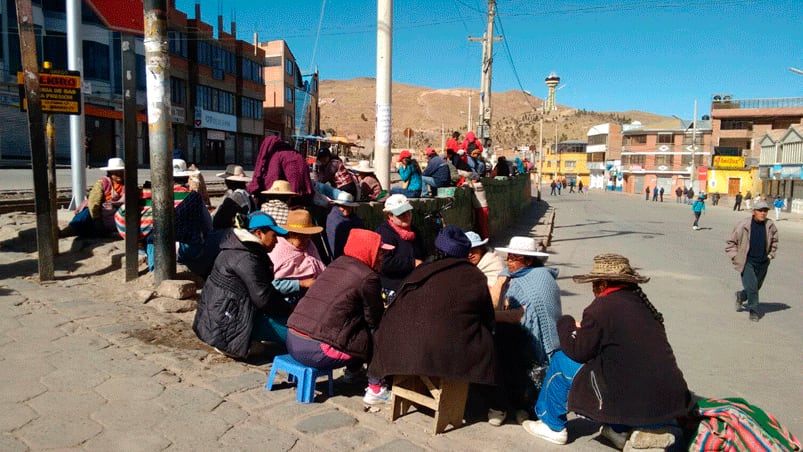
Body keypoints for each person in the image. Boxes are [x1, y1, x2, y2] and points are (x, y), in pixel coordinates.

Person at [523, 253, 690, 447]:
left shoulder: (602, 307)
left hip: (633, 397)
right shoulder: (643, 306)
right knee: (613, 369)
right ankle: (619, 429)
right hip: (669, 402)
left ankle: (551, 424)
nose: (593, 290)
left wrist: (566, 323)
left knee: (562, 360)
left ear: (602, 284)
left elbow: (578, 351)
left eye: (595, 284)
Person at [367, 225, 496, 403]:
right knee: (486, 339)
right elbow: (488, 317)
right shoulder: (475, 277)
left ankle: (378, 385)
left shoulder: (421, 270)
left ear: (438, 250)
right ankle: (495, 403)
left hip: (396, 346)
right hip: (440, 353)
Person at [286, 229, 392, 399]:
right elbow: (375, 319)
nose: (382, 257)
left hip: (292, 339)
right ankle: (376, 388)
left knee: (352, 324)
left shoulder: (337, 264)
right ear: (367, 250)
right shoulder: (367, 277)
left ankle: (353, 371)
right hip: (317, 350)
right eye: (379, 251)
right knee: (378, 333)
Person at [192, 212, 290, 358]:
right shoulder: (246, 257)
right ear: (259, 233)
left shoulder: (238, 249)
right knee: (295, 333)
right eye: (274, 236)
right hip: (226, 323)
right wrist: (290, 310)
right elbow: (264, 298)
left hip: (217, 319)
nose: (276, 241)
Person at [486, 236, 560, 426]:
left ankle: (510, 405)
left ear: (528, 260)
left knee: (501, 339)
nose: (509, 261)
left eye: (514, 258)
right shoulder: (531, 275)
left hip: (534, 341)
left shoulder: (534, 281)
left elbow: (519, 315)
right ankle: (520, 405)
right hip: (537, 338)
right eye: (508, 257)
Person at [268, 209, 326, 322]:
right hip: (285, 304)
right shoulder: (278, 249)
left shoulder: (309, 245)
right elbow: (272, 285)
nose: (306, 241)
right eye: (302, 237)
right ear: (292, 234)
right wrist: (302, 283)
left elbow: (319, 266)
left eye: (308, 236)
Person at [726, 200, 778, 322]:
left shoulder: (770, 225)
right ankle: (754, 311)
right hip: (747, 261)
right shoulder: (744, 225)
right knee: (753, 287)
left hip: (763, 262)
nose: (763, 213)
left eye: (765, 211)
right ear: (753, 212)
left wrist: (770, 255)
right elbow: (730, 242)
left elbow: (775, 241)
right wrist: (735, 256)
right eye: (760, 210)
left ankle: (741, 295)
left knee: (756, 286)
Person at [375, 194, 427, 302]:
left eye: (408, 212)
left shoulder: (414, 231)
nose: (407, 216)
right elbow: (384, 263)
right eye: (401, 214)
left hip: (413, 282)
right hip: (394, 286)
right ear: (390, 216)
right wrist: (412, 263)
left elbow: (423, 254)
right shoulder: (384, 233)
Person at [61, 157, 126, 238]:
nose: (119, 175)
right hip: (99, 212)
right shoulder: (102, 183)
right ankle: (66, 232)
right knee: (86, 214)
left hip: (116, 213)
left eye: (121, 172)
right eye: (116, 173)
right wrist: (97, 220)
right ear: (110, 173)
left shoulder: (127, 184)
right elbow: (94, 203)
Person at [249, 135, 313, 203]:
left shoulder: (276, 155)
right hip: (305, 196)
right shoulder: (296, 154)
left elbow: (272, 178)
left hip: (288, 199)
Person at [212, 164, 255, 229]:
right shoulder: (247, 194)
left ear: (231, 181)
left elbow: (219, 219)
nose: (225, 181)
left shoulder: (234, 197)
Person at [325, 192, 364, 259]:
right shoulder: (335, 220)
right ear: (338, 205)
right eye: (343, 206)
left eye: (349, 206)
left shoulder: (352, 217)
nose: (346, 209)